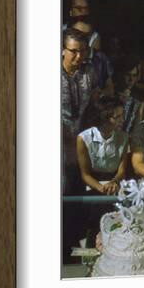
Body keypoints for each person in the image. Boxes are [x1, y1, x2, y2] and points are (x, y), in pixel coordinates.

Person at [61, 28, 95, 193]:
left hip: (81, 138)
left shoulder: (88, 72)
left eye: (82, 51)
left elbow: (91, 107)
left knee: (79, 186)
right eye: (73, 51)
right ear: (62, 50)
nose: (79, 56)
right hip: (58, 139)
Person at [76, 97, 129, 194]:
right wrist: (102, 188)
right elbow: (85, 174)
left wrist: (113, 183)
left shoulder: (123, 138)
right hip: (92, 184)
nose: (122, 120)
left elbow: (122, 171)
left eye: (122, 115)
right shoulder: (84, 139)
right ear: (104, 119)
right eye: (117, 117)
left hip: (115, 184)